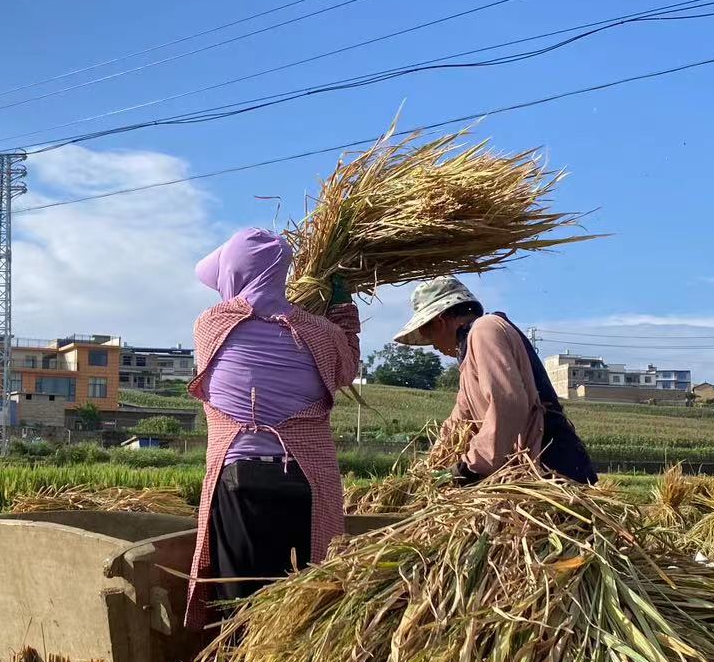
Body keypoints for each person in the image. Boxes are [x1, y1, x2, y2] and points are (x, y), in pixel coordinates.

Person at [185, 228, 360, 630]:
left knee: (238, 606)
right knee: (302, 600)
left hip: (239, 480)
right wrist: (342, 312)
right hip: (305, 483)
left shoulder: (209, 326)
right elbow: (346, 369)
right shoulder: (321, 332)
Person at [394, 276, 596, 485]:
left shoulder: (485, 330)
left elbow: (508, 402)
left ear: (440, 322)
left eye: (427, 333)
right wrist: (430, 467)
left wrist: (472, 465)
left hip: (552, 466)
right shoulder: (468, 359)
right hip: (528, 471)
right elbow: (460, 420)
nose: (432, 344)